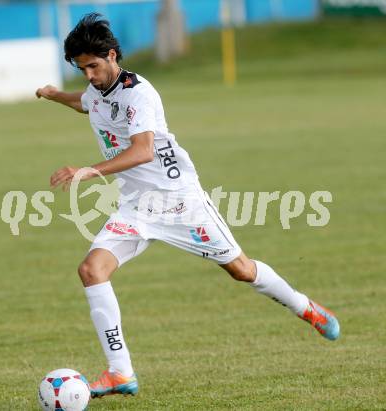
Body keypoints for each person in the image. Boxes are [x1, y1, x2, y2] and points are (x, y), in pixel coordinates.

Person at [36, 13, 339, 399]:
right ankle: (120, 373)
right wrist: (54, 94)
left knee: (242, 271)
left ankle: (305, 307)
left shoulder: (139, 93)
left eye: (93, 66)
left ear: (112, 55)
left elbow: (143, 150)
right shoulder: (95, 90)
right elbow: (87, 102)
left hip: (180, 202)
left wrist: (88, 171)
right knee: (91, 270)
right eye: (82, 70)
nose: (89, 76)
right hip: (136, 207)